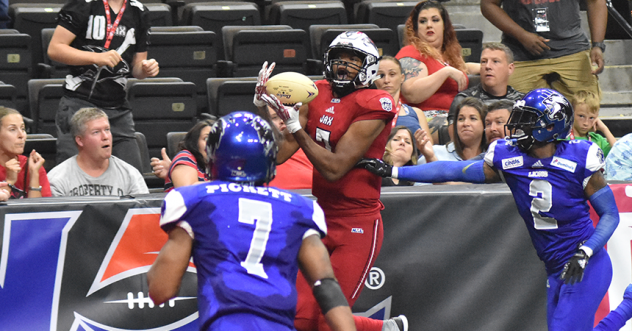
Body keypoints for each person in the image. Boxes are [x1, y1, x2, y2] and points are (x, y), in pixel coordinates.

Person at [358, 88, 619, 331]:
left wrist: (586, 251)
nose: (517, 126)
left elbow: (610, 214)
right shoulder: (509, 156)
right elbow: (452, 169)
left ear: (550, 127)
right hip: (554, 265)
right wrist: (394, 170)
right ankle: (628, 305)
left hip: (586, 263)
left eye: (528, 120)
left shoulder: (579, 157)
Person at [147, 111, 356, 331]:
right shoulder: (299, 208)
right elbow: (326, 286)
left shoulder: (196, 200)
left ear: (215, 155)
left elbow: (162, 290)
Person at [258, 32, 407, 331]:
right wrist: (265, 109)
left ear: (368, 66)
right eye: (339, 56)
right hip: (321, 217)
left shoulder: (377, 101)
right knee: (298, 317)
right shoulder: (317, 92)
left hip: (358, 223)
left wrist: (296, 129)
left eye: (353, 59)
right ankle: (385, 328)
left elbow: (335, 168)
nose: (344, 64)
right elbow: (278, 154)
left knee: (329, 322)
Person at [48, 0, 160, 172]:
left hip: (117, 109)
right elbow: (55, 49)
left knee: (132, 175)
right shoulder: (83, 4)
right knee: (74, 176)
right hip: (79, 105)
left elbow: (137, 67)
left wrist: (146, 69)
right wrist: (96, 58)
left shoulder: (139, 11)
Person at [480, 0, 606, 102]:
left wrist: (597, 45)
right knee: (517, 115)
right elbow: (488, 4)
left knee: (584, 112)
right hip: (521, 54)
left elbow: (596, 2)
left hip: (572, 50)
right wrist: (521, 35)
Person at [396, 0, 480, 145]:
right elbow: (411, 93)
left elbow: (462, 69)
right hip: (424, 118)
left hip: (456, 115)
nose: (429, 25)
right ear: (415, 28)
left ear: (444, 26)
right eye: (423, 21)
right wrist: (444, 72)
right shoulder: (412, 53)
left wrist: (485, 66)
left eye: (435, 20)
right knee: (469, 128)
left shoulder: (448, 57)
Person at [47, 107, 149, 196]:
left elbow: (143, 213)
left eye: (107, 130)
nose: (105, 137)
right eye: (96, 132)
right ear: (80, 140)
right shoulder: (57, 179)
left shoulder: (130, 175)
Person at [447, 42, 524, 143]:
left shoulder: (522, 102)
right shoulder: (463, 100)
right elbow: (456, 143)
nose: (488, 66)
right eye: (483, 61)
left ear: (510, 69)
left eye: (495, 61)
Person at [374, 56, 432, 143]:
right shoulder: (366, 111)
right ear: (374, 80)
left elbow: (430, 149)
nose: (386, 80)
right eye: (381, 75)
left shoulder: (416, 113)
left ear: (402, 78)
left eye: (392, 74)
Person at [0, 107, 51, 199]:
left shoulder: (32, 166)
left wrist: (34, 174)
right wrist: (10, 181)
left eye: (23, 129)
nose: (21, 135)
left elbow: (38, 211)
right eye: (12, 129)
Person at [150, 119, 213, 192]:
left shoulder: (223, 162)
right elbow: (186, 190)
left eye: (217, 139)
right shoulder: (185, 157)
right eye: (206, 138)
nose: (211, 143)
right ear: (195, 141)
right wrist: (226, 184)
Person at [266, 105, 313, 190]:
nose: (282, 121)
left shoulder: (312, 152)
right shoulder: (256, 155)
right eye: (275, 117)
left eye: (288, 117)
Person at [570, 90, 616, 157]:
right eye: (581, 116)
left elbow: (619, 153)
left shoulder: (597, 140)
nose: (586, 123)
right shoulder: (562, 138)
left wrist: (604, 129)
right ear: (572, 113)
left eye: (591, 118)